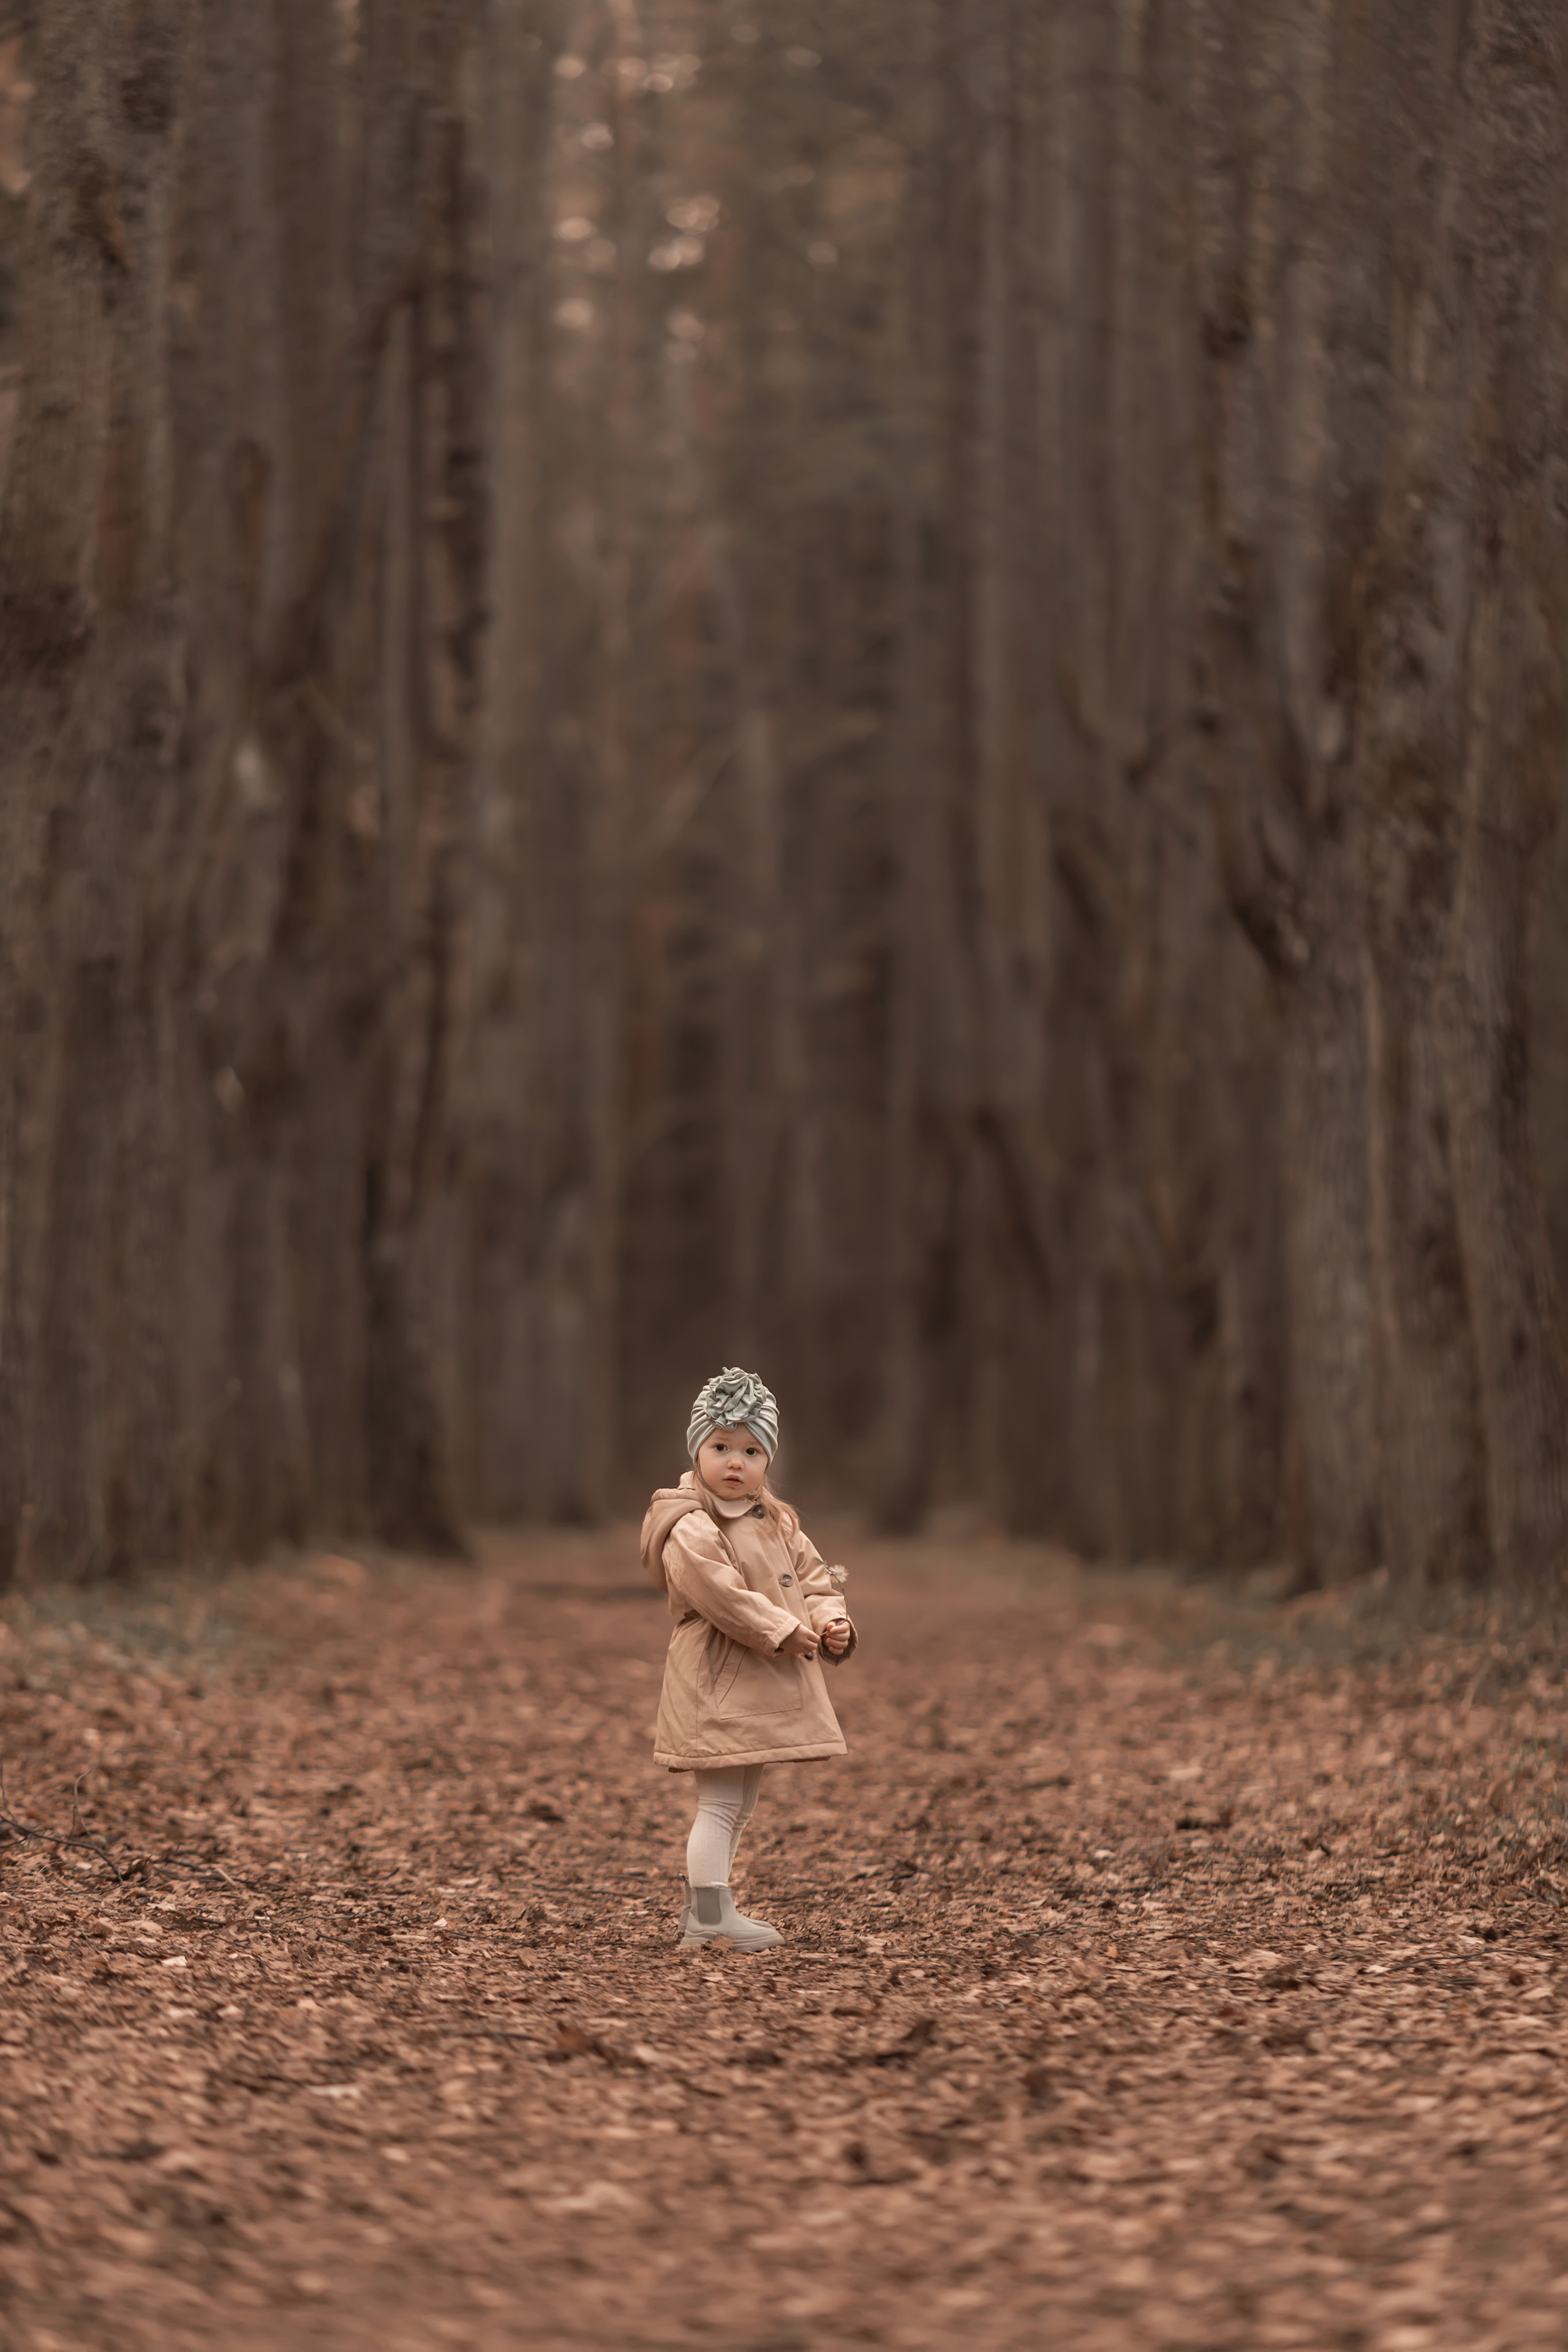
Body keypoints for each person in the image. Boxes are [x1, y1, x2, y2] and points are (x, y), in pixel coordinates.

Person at [641, 1366, 858, 1952]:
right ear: (697, 1449)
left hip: (763, 1670)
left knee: (741, 1802)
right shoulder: (690, 1522)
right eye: (720, 1447)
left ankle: (710, 1905)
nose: (735, 1462)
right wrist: (780, 1628)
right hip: (718, 1670)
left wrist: (829, 1621)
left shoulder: (777, 1519)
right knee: (718, 1799)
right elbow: (720, 1593)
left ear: (768, 1461)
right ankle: (709, 1913)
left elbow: (816, 1578)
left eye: (751, 1450)